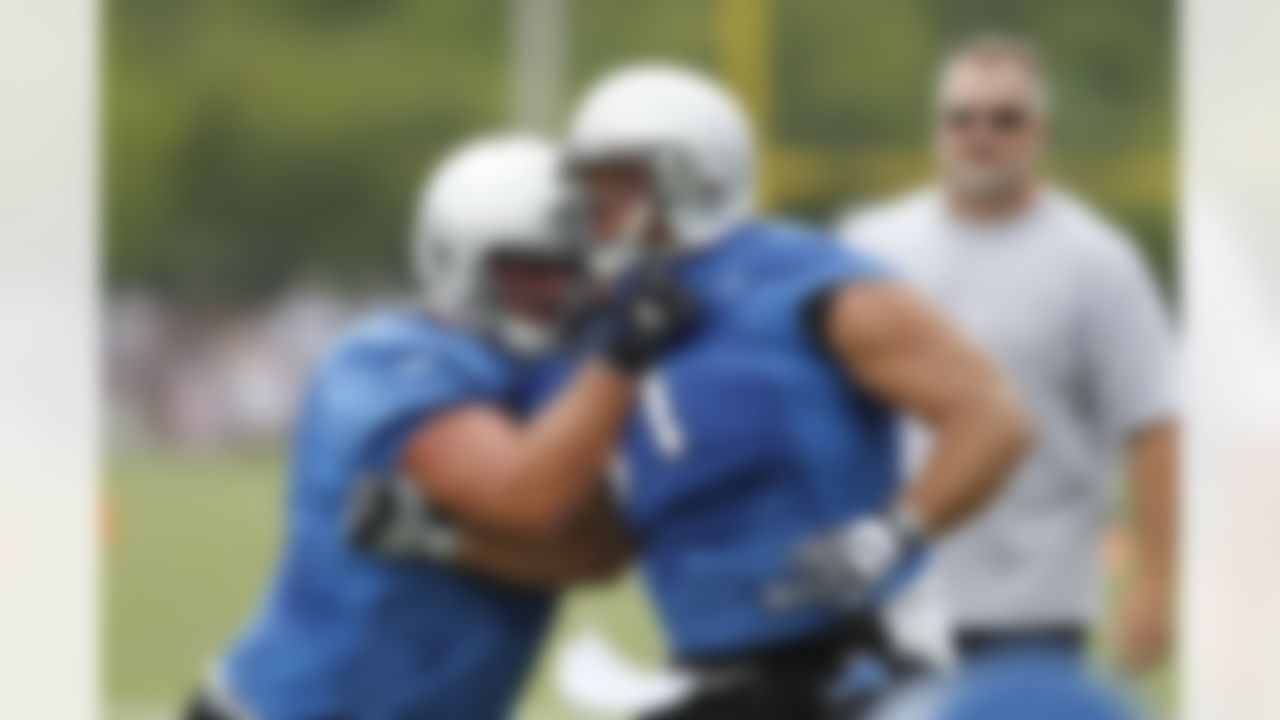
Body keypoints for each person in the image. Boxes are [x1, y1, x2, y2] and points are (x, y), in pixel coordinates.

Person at [417, 65, 1031, 719]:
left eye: (619, 177)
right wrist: (438, 533)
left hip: (862, 649)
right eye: (593, 181)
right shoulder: (603, 324)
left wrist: (891, 533)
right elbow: (588, 535)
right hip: (711, 670)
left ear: (694, 175)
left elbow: (994, 420)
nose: (596, 201)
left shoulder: (808, 284)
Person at [187, 135, 697, 720]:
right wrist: (625, 357)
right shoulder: (387, 359)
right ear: (454, 254)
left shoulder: (555, 378)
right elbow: (530, 500)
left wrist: (448, 540)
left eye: (573, 265)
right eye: (529, 265)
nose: (557, 287)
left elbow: (600, 553)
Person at [840, 34, 1178, 672]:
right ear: (936, 128)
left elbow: (1154, 424)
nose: (980, 133)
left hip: (1034, 607)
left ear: (1041, 131)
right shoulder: (870, 248)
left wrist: (1155, 588)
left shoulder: (1095, 260)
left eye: (1005, 118)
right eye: (961, 116)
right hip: (890, 595)